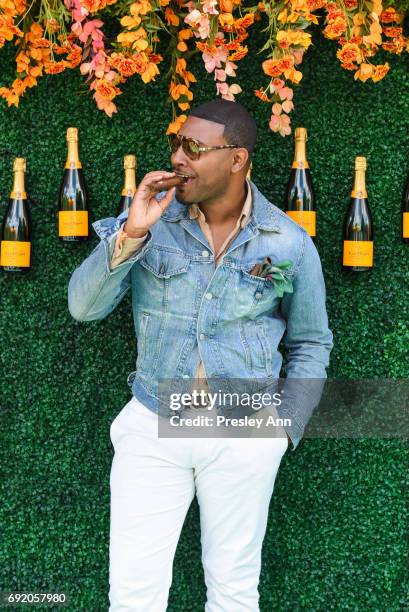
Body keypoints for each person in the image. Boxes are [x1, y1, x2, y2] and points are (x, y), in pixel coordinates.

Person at [68, 98, 333, 611]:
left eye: (194, 147)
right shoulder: (151, 222)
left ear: (236, 159)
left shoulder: (289, 242)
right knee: (132, 595)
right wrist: (133, 231)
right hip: (153, 423)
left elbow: (311, 343)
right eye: (176, 144)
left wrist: (283, 429)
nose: (178, 158)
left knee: (234, 593)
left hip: (244, 431)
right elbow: (84, 307)